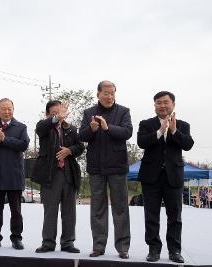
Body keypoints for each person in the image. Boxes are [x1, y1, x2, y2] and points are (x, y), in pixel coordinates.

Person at [137, 91, 194, 263]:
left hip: (173, 176)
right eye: (158, 103)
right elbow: (142, 142)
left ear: (173, 104)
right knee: (151, 215)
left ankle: (175, 250)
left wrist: (174, 130)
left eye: (166, 102)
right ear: (154, 105)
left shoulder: (183, 125)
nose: (162, 105)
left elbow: (188, 144)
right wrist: (160, 131)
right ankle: (153, 249)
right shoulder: (146, 124)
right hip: (151, 177)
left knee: (175, 216)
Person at [79, 80, 132, 259]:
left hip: (117, 166)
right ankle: (98, 246)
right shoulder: (89, 113)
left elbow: (127, 132)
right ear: (98, 94)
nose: (110, 97)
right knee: (97, 208)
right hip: (96, 168)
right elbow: (82, 136)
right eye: (106, 94)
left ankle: (123, 247)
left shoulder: (123, 111)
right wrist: (92, 129)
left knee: (120, 208)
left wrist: (107, 128)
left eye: (112, 93)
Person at [32, 100, 84, 253]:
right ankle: (48, 243)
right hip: (50, 175)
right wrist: (56, 119)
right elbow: (40, 129)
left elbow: (80, 147)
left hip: (69, 174)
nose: (59, 115)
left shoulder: (71, 129)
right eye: (54, 113)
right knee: (50, 210)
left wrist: (70, 150)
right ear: (48, 114)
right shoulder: (44, 126)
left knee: (69, 211)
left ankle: (68, 243)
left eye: (60, 111)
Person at [0, 98, 30, 250]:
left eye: (9, 108)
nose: (7, 111)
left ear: (13, 109)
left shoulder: (21, 127)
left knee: (16, 210)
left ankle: (16, 238)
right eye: (3, 108)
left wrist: (5, 139)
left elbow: (23, 145)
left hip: (14, 175)